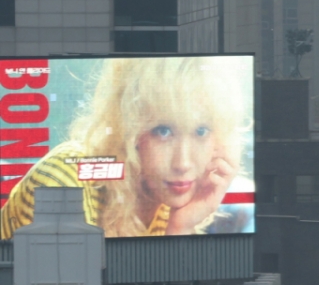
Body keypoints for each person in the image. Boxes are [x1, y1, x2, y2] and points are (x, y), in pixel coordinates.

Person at [0, 57, 251, 239]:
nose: (183, 163)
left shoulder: (164, 199)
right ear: (129, 129)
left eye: (201, 131)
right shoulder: (66, 181)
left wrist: (181, 226)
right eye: (163, 131)